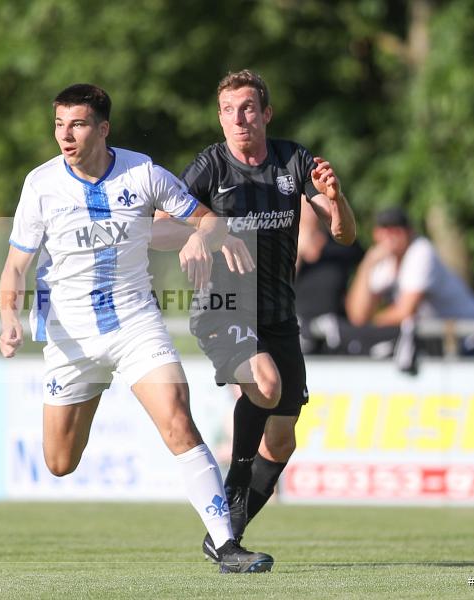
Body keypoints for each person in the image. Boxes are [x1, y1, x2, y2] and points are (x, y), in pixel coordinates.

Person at [0, 83, 272, 573]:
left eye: (78, 124)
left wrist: (199, 239)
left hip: (135, 324)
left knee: (178, 419)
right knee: (60, 462)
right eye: (59, 124)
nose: (66, 134)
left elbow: (209, 220)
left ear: (103, 129)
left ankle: (225, 543)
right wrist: (8, 320)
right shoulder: (40, 184)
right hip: (71, 337)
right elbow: (16, 266)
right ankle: (94, 387)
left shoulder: (142, 172)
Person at [153, 69, 357, 562]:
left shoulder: (293, 160)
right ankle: (235, 486)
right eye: (227, 110)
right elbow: (156, 230)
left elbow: (345, 235)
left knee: (283, 440)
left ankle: (227, 533)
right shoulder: (210, 167)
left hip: (279, 315)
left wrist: (335, 198)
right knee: (265, 384)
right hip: (222, 309)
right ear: (220, 118)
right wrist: (204, 233)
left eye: (247, 108)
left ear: (265, 113)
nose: (237, 119)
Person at [345, 207, 474, 356]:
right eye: (386, 230)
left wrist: (368, 328)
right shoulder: (383, 259)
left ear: (409, 232)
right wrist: (366, 266)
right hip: (438, 339)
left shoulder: (421, 251)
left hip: (468, 336)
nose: (391, 237)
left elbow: (405, 312)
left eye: (397, 230)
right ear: (376, 234)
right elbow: (358, 316)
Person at [296, 200, 398, 356]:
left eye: (314, 198)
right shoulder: (281, 243)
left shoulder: (340, 244)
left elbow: (369, 274)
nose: (311, 206)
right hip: (297, 334)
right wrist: (297, 250)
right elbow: (274, 287)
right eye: (306, 201)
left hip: (336, 335)